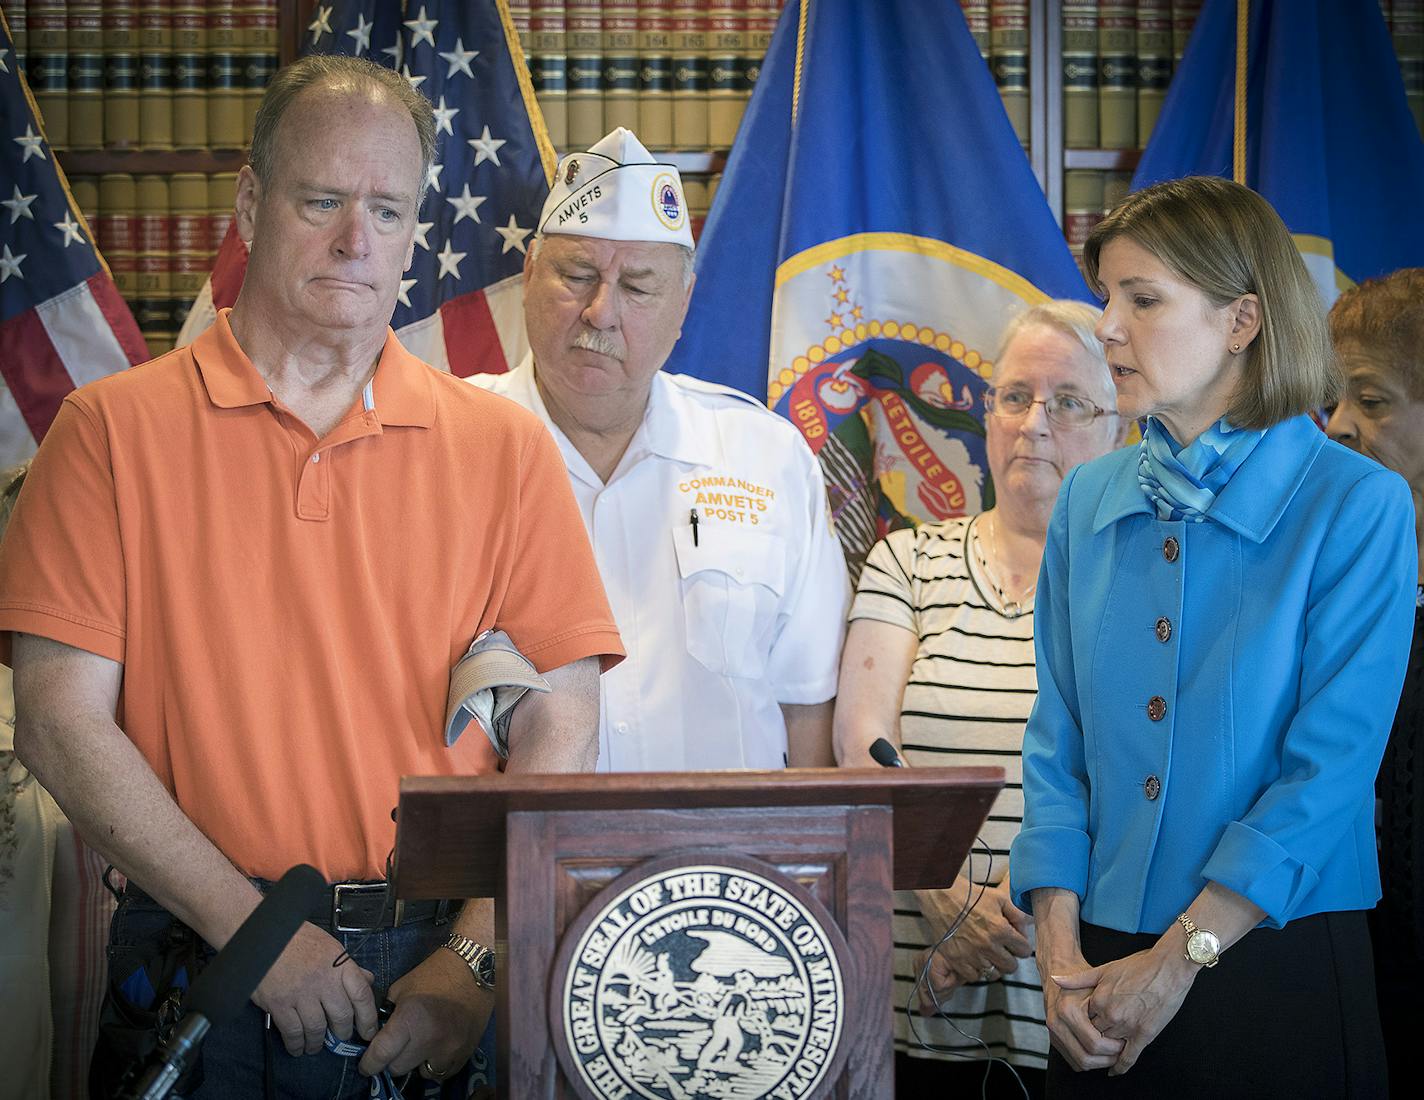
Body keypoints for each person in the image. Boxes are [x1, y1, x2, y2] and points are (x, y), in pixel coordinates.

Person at [0, 55, 623, 1095]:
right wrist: (253, 934)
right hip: (200, 947)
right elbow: (61, 721)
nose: (355, 240)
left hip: (435, 965)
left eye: (386, 208)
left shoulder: (502, 446)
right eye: (322, 200)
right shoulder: (109, 431)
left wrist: (478, 954)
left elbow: (563, 717)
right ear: (251, 202)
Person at [1010, 175, 1416, 1098]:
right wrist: (1057, 936)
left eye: (1142, 299)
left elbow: (1332, 769)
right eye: (1108, 296)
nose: (1106, 327)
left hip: (1270, 958)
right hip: (1096, 969)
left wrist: (1185, 955)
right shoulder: (1088, 496)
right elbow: (1058, 734)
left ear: (1242, 320)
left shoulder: (1356, 506)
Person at [469, 127, 849, 772]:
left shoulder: (765, 456)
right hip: (517, 865)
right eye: (577, 274)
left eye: (638, 287)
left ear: (684, 303)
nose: (600, 312)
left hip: (730, 863)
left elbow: (806, 706)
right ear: (529, 275)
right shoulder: (452, 447)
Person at [834, 301, 1126, 1098]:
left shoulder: (1146, 581)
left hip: (1076, 1001)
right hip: (912, 996)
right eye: (1014, 396)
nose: (1034, 423)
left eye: (1068, 402)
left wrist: (1017, 918)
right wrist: (941, 893)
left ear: (1120, 430)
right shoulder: (907, 559)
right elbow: (862, 740)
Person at [1325, 267, 1424, 1095]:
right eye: (1335, 400)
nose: (1339, 426)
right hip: (1352, 981)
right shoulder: (1334, 573)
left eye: (1374, 400)